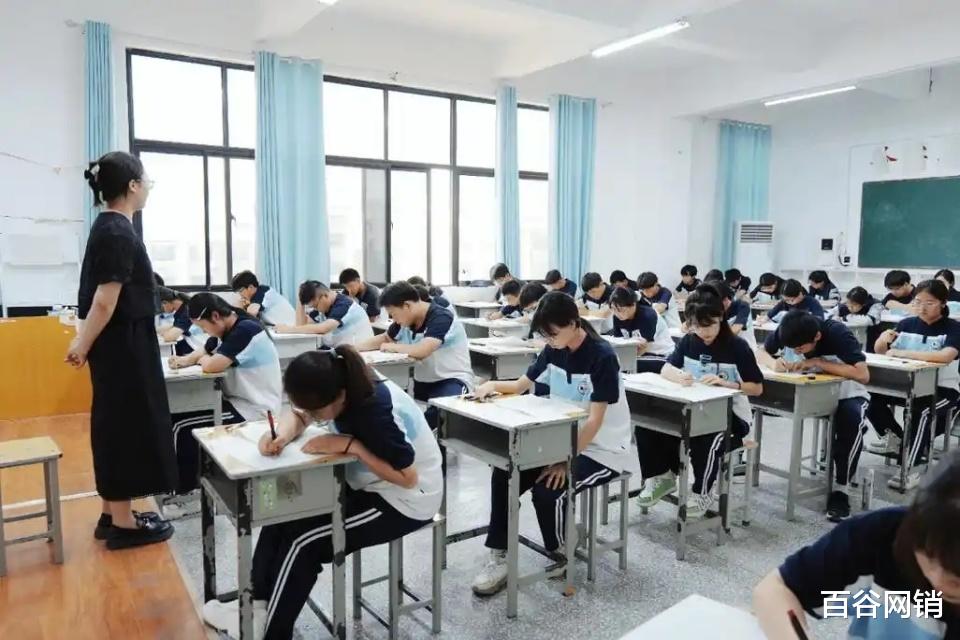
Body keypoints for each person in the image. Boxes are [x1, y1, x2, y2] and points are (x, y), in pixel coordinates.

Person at [201, 347, 443, 639]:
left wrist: (351, 446)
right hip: (364, 483)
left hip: (404, 500)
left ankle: (270, 633)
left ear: (340, 397)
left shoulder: (375, 413)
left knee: (304, 543)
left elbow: (408, 478)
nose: (313, 416)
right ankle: (256, 606)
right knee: (282, 515)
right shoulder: (337, 374)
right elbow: (300, 414)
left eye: (318, 412)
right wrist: (282, 435)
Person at [469, 292, 631, 596]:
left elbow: (595, 422)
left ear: (573, 323)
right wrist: (491, 385)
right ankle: (500, 557)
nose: (548, 340)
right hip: (559, 441)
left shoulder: (602, 356)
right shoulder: (553, 349)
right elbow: (521, 385)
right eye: (544, 334)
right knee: (504, 473)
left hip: (600, 449)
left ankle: (561, 549)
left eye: (552, 333)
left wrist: (564, 461)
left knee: (549, 491)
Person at [67, 151, 174, 549]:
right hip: (124, 345)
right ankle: (124, 523)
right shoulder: (118, 232)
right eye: (146, 181)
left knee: (115, 424)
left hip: (117, 344)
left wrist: (85, 341)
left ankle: (113, 512)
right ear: (132, 185)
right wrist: (82, 344)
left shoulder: (107, 227)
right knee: (128, 427)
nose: (148, 188)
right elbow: (105, 301)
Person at [753, 451, 960, 639]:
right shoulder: (882, 536)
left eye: (956, 572)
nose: (938, 578)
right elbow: (775, 589)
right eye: (928, 554)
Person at [635, 284, 763, 516]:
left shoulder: (737, 347)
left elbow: (757, 388)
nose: (703, 332)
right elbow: (667, 368)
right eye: (696, 326)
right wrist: (679, 375)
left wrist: (728, 384)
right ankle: (663, 476)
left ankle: (703, 491)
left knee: (707, 438)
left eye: (709, 325)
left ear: (720, 317)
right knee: (649, 426)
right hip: (694, 409)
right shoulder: (689, 341)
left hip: (731, 417)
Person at [756, 311, 871, 521]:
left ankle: (841, 489)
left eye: (800, 349)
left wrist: (818, 362)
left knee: (851, 421)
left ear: (817, 337)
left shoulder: (838, 333)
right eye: (792, 348)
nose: (796, 352)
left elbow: (863, 375)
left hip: (847, 393)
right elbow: (760, 352)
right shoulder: (790, 329)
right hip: (811, 394)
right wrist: (773, 363)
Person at [167, 293, 282, 495]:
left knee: (183, 428)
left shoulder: (246, 330)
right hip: (235, 401)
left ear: (215, 316)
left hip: (255, 409)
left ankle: (184, 491)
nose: (205, 332)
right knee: (174, 418)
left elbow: (211, 365)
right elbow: (205, 349)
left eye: (203, 327)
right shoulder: (228, 328)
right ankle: (184, 482)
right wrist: (185, 360)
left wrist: (201, 360)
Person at [867, 280, 960, 489]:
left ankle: (911, 467)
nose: (922, 307)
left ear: (943, 303)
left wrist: (902, 353)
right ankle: (898, 440)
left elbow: (945, 356)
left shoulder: (954, 328)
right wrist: (882, 339)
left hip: (943, 389)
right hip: (906, 385)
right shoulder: (906, 324)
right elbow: (883, 351)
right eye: (918, 302)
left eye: (929, 303)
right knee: (870, 399)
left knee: (922, 412)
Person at [355, 281, 474, 431]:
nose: (394, 319)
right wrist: (353, 349)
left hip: (452, 380)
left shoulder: (441, 317)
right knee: (389, 405)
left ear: (407, 306)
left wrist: (394, 347)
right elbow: (385, 338)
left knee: (437, 416)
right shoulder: (405, 321)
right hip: (422, 382)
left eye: (393, 314)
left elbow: (422, 351)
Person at [275, 280, 374, 346]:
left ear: (325, 296)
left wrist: (287, 329)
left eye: (315, 306)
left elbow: (323, 328)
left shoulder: (344, 304)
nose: (316, 309)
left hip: (361, 354)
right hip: (343, 350)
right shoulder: (324, 306)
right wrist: (299, 300)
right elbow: (301, 325)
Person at [608, 285, 675, 373]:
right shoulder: (617, 317)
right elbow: (619, 342)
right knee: (612, 362)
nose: (617, 313)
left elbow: (644, 348)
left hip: (661, 355)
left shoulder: (648, 316)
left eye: (621, 309)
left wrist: (623, 358)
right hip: (640, 355)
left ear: (633, 305)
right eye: (613, 309)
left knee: (624, 365)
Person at [231, 270, 296, 326]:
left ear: (250, 287)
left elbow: (251, 313)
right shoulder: (255, 296)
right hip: (279, 328)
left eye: (240, 291)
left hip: (291, 328)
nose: (240, 295)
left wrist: (240, 307)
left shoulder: (263, 292)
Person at [830, 286, 884, 353]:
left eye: (854, 305)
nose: (850, 308)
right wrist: (834, 317)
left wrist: (846, 318)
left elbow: (869, 320)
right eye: (848, 304)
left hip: (870, 338)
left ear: (863, 304)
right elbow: (828, 314)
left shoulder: (875, 305)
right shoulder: (846, 304)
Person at [760, 279, 825, 323]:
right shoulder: (785, 302)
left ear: (800, 294)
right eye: (786, 300)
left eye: (792, 300)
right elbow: (773, 312)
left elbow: (820, 318)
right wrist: (764, 319)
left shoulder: (811, 302)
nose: (789, 303)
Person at [156, 287, 195, 355]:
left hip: (197, 346)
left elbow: (169, 337)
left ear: (165, 302)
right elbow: (174, 326)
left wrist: (167, 333)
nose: (162, 310)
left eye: (162, 307)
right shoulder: (181, 310)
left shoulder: (187, 311)